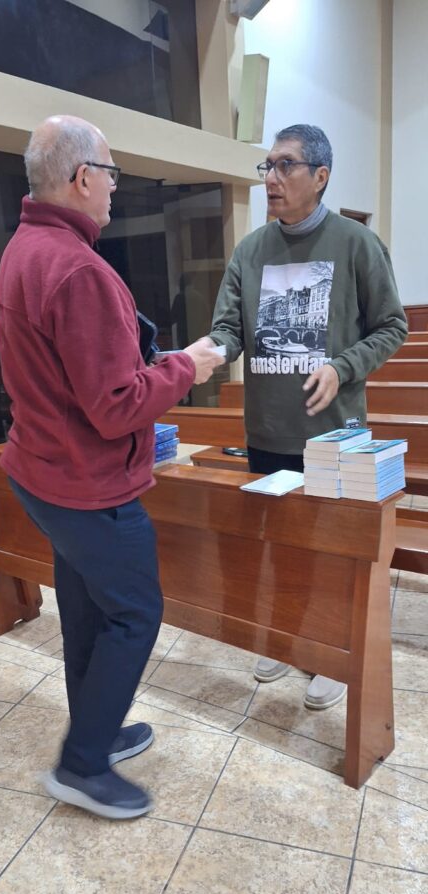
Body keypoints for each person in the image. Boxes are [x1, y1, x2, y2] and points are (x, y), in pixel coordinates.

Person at [0, 114, 224, 819]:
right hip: (87, 486)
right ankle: (83, 763)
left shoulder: (25, 248)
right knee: (136, 613)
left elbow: (76, 375)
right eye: (112, 173)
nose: (117, 187)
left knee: (87, 607)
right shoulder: (77, 269)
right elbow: (117, 408)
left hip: (41, 471)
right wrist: (188, 366)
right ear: (82, 177)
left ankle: (96, 728)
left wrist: (151, 364)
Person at [207, 124, 407, 711]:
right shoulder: (250, 251)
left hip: (334, 435)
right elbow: (228, 329)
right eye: (267, 166)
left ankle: (332, 654)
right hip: (267, 431)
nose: (271, 178)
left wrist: (343, 367)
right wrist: (207, 353)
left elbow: (392, 326)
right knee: (278, 546)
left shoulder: (356, 244)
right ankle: (287, 637)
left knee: (330, 552)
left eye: (285, 165)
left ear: (320, 177)